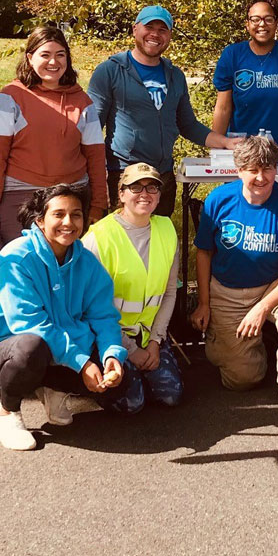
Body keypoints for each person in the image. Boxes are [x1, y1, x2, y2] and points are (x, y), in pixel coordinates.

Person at [0, 185, 131, 450]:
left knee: (121, 382)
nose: (68, 222)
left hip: (60, 349)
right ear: (40, 220)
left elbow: (104, 317)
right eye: (58, 214)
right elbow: (30, 324)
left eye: (76, 214)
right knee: (32, 345)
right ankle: (6, 415)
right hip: (5, 355)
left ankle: (54, 389)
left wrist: (112, 356)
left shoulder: (88, 262)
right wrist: (81, 364)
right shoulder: (16, 257)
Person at [190, 135, 278, 411]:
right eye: (253, 170)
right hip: (227, 290)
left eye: (268, 169)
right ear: (239, 171)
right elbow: (203, 252)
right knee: (242, 379)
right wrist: (204, 303)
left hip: (272, 285)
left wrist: (262, 308)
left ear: (277, 169)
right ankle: (244, 345)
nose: (261, 177)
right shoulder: (218, 199)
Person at [87, 5, 237, 217]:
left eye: (162, 29)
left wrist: (226, 142)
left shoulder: (175, 76)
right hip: (125, 174)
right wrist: (94, 175)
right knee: (124, 242)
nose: (155, 34)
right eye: (149, 27)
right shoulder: (110, 71)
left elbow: (188, 125)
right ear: (135, 30)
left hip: (162, 176)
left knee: (160, 240)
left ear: (169, 36)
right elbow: (92, 127)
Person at [0, 26, 109, 241]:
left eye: (60, 55)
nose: (53, 62)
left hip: (73, 196)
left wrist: (97, 206)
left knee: (69, 268)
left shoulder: (83, 101)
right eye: (45, 55)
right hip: (20, 196)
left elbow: (96, 157)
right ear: (30, 58)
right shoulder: (10, 98)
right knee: (22, 267)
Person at [82, 162, 183, 411]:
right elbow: (88, 306)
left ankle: (140, 376)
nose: (144, 194)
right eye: (135, 187)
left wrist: (156, 342)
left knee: (171, 397)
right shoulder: (98, 238)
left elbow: (170, 291)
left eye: (152, 187)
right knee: (132, 403)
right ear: (121, 194)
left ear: (160, 196)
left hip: (149, 334)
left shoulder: (167, 230)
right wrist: (130, 350)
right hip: (107, 336)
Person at [211, 0, 278, 148]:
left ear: (277, 22)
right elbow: (223, 108)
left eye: (268, 19)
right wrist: (215, 150)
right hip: (241, 150)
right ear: (247, 24)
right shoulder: (232, 55)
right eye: (255, 19)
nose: (262, 25)